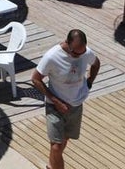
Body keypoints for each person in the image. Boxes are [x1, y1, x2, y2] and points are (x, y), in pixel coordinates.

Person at [32, 29, 100, 169]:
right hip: (55, 107)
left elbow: (96, 63)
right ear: (67, 43)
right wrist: (56, 101)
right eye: (75, 53)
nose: (78, 56)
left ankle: (51, 166)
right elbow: (35, 79)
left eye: (81, 53)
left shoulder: (85, 52)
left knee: (63, 141)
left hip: (76, 105)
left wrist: (89, 81)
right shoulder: (52, 56)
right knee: (56, 147)